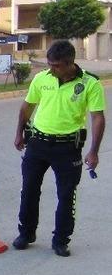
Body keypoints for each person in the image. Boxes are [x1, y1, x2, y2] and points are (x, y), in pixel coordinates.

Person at [13, 40, 106, 257]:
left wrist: (94, 151)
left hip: (68, 148)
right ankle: (26, 233)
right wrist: (19, 132)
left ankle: (61, 240)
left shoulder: (90, 84)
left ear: (69, 63)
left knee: (66, 195)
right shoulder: (42, 78)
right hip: (37, 143)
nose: (51, 69)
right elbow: (27, 107)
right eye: (49, 64)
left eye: (55, 66)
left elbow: (98, 118)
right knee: (29, 190)